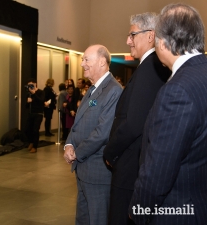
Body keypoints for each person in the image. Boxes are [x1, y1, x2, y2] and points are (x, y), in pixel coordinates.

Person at [128, 3, 207, 225]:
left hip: (176, 211)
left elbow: (159, 171)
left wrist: (138, 211)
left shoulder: (177, 90)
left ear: (162, 43)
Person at [103, 12, 171, 225]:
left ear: (151, 36)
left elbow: (133, 123)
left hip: (129, 166)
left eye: (132, 34)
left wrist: (110, 152)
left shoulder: (150, 69)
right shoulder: (149, 67)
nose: (127, 40)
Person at [63, 44, 123, 225]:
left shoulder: (113, 90)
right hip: (83, 168)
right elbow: (78, 123)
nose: (82, 64)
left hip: (97, 171)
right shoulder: (93, 89)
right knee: (83, 218)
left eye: (86, 59)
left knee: (97, 219)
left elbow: (102, 133)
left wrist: (77, 153)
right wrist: (68, 144)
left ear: (102, 62)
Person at [25, 79, 45, 153]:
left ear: (35, 84)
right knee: (27, 129)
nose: (30, 87)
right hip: (31, 113)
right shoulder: (28, 94)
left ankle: (35, 146)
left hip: (38, 114)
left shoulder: (41, 92)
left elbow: (41, 100)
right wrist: (27, 102)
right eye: (28, 85)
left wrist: (34, 93)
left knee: (35, 130)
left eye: (31, 85)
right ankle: (31, 141)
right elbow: (26, 106)